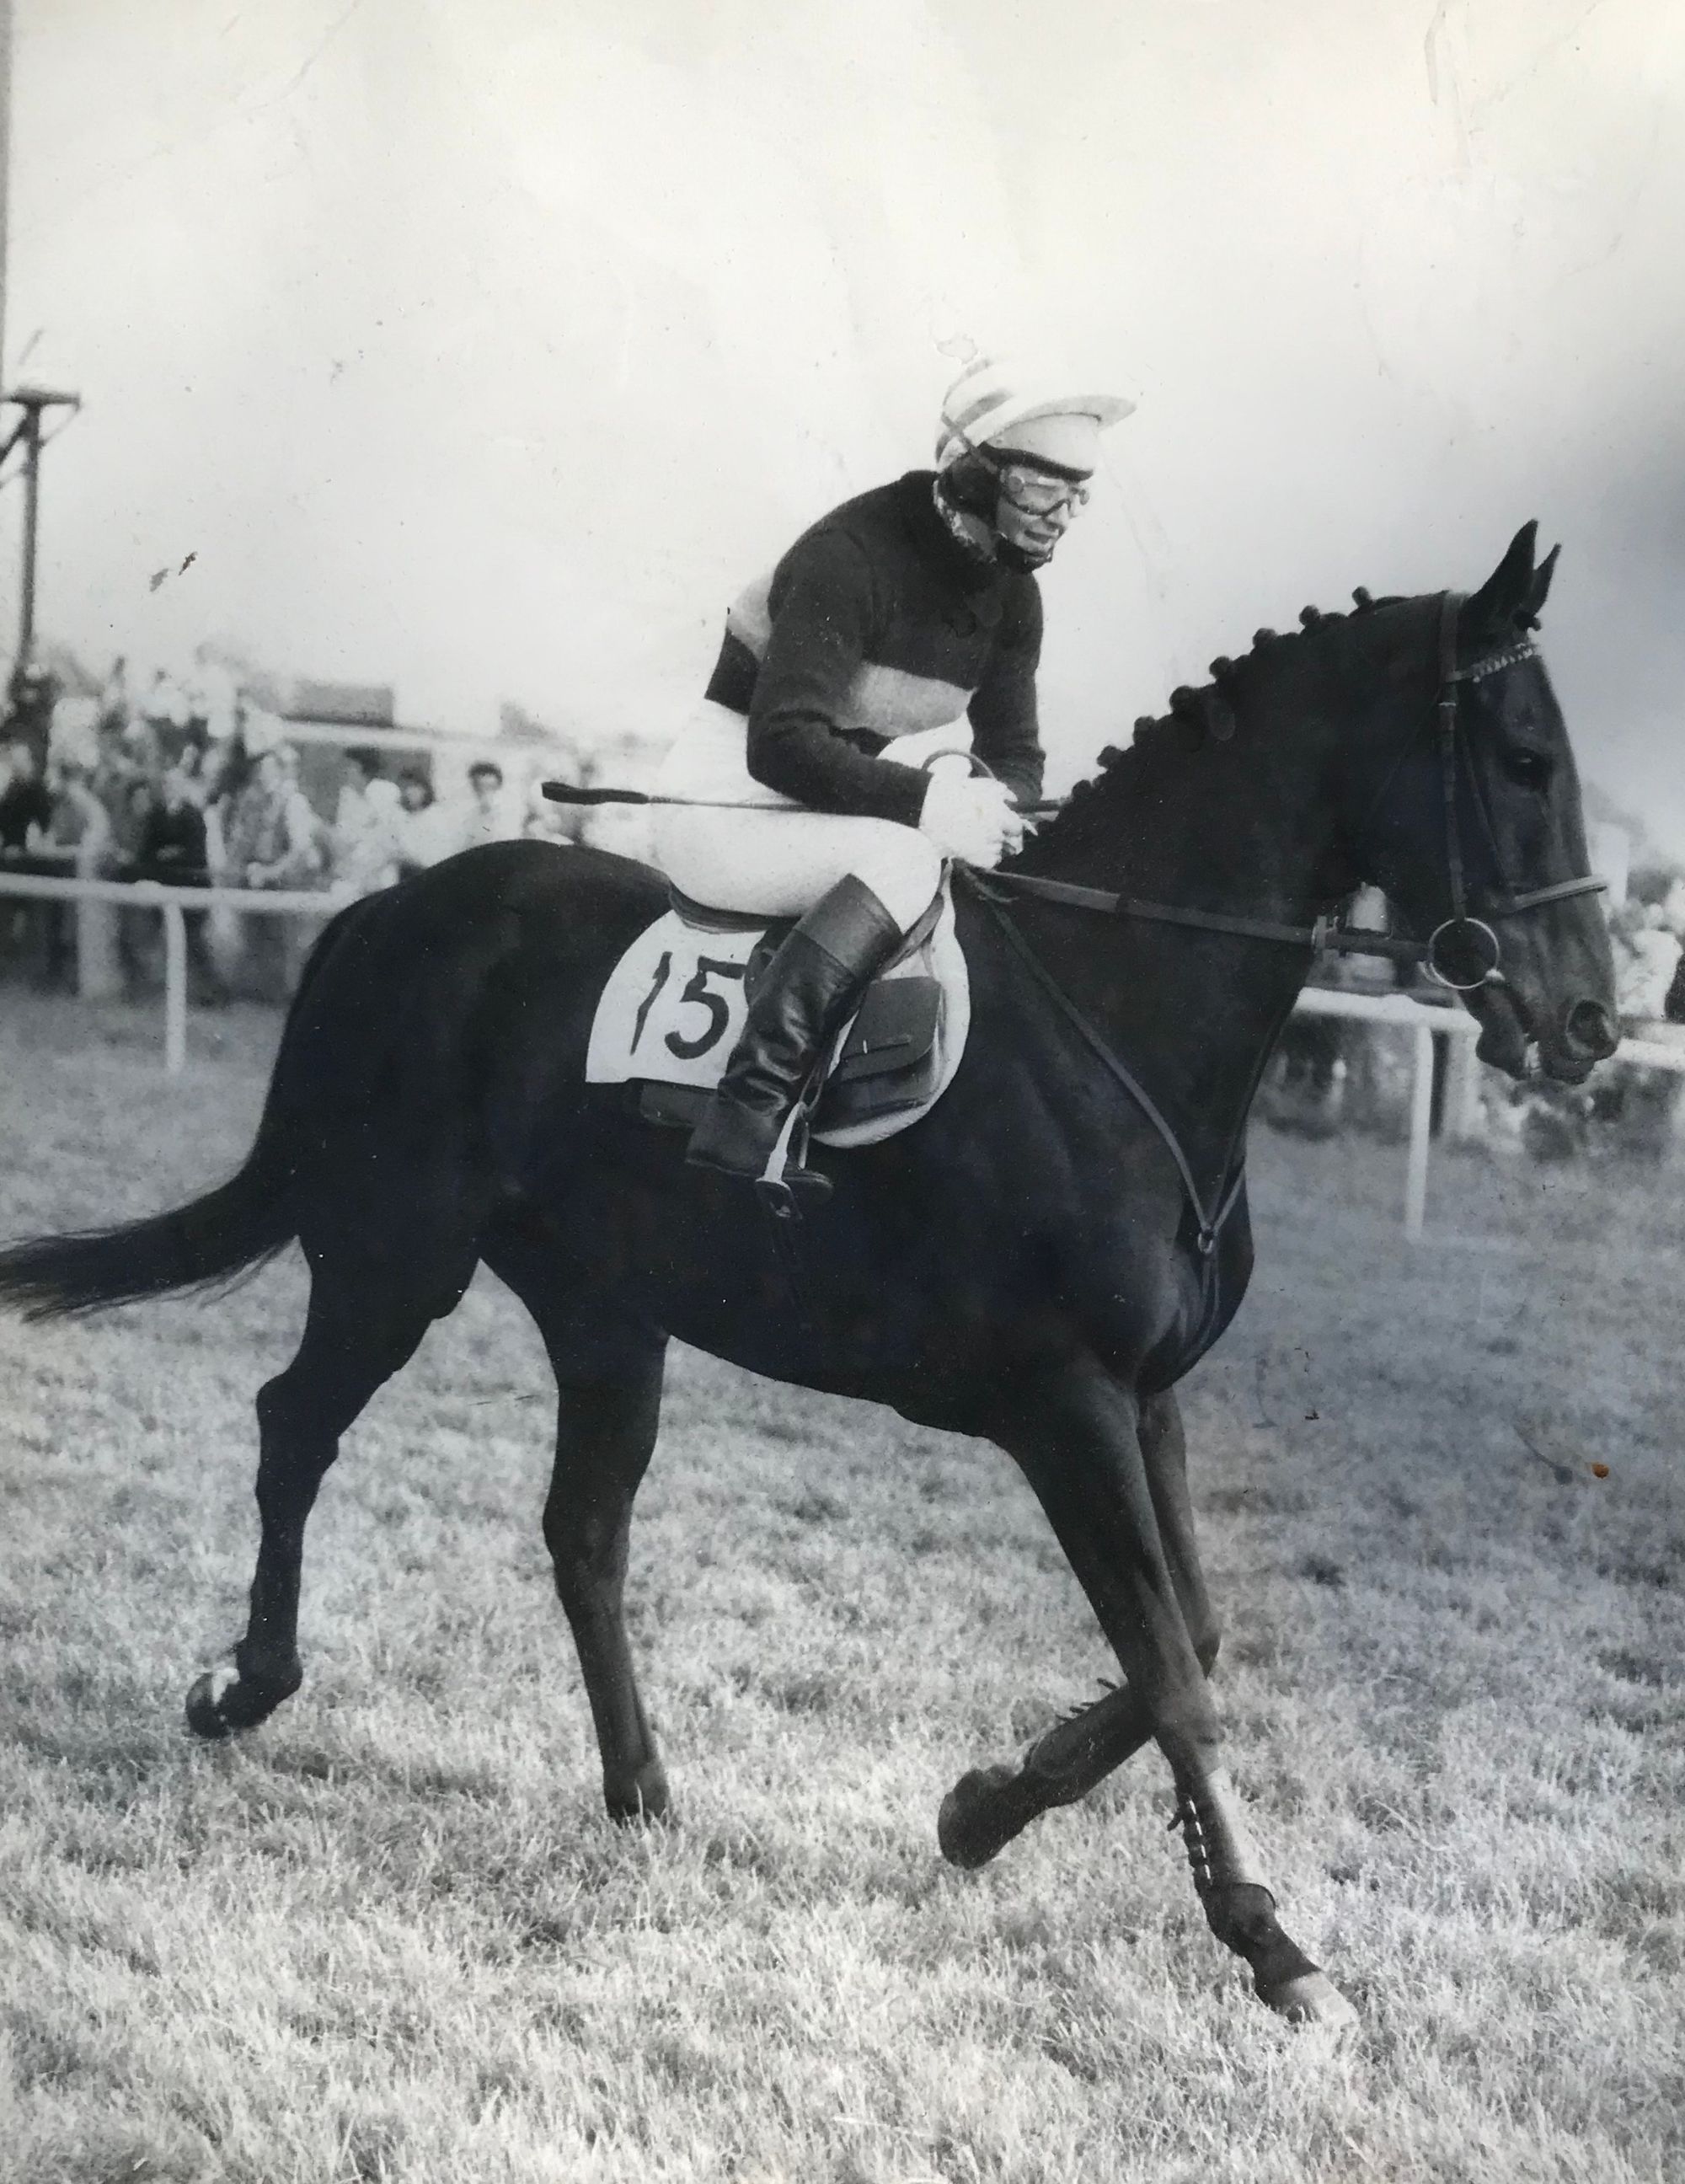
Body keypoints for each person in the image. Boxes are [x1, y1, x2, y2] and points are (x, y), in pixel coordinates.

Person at [653, 353, 1131, 1190]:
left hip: (828, 811)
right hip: (727, 802)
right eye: (1040, 488)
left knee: (961, 870)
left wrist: (993, 803)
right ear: (975, 472)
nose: (1062, 516)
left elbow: (1016, 754)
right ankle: (749, 1112)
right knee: (909, 855)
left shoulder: (1014, 595)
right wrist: (929, 804)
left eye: (1077, 495)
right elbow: (780, 745)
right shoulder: (850, 556)